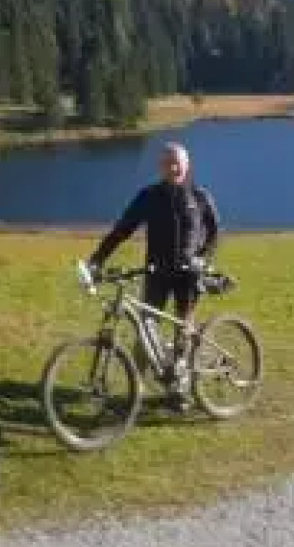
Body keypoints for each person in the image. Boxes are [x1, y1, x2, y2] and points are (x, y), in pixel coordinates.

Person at [86, 141, 220, 397]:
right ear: (160, 167)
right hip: (157, 272)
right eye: (168, 162)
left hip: (189, 275)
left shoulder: (200, 197)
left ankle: (180, 388)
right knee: (146, 328)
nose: (173, 167)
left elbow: (214, 233)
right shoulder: (148, 197)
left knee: (183, 328)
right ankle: (136, 389)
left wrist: (203, 258)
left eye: (178, 162)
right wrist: (98, 258)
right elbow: (122, 230)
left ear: (187, 165)